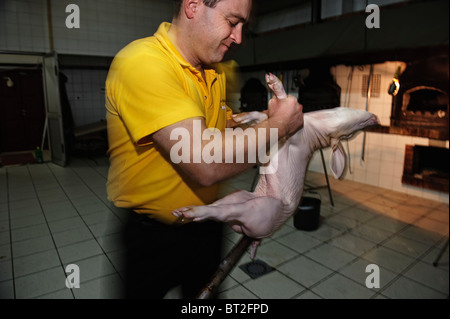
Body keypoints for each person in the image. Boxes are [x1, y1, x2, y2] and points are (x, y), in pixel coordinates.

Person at [105, 0, 303, 299]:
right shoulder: (142, 63)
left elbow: (217, 125)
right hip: (152, 237)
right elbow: (204, 164)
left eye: (243, 26)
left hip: (206, 226)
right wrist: (280, 127)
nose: (239, 38)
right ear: (194, 5)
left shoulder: (215, 71)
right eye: (232, 21)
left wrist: (260, 119)